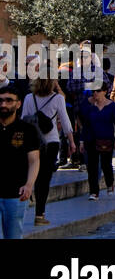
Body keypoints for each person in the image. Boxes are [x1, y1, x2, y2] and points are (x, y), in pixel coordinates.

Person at [20, 78, 73, 227]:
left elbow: (23, 119)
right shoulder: (58, 99)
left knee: (29, 176)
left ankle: (21, 211)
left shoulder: (29, 98)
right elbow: (65, 121)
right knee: (44, 180)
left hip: (32, 142)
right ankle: (40, 214)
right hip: (51, 142)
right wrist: (72, 142)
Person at [0, 83, 41, 239]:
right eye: (1, 100)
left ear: (18, 104)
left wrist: (29, 185)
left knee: (14, 235)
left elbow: (34, 160)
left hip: (16, 194)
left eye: (9, 100)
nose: (4, 104)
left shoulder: (27, 130)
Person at [79, 85, 115, 200]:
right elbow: (85, 125)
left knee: (106, 164)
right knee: (92, 167)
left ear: (105, 92)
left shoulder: (112, 106)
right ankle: (94, 192)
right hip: (91, 140)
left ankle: (109, 182)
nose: (95, 93)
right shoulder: (90, 108)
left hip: (106, 140)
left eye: (98, 91)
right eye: (93, 91)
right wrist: (82, 141)